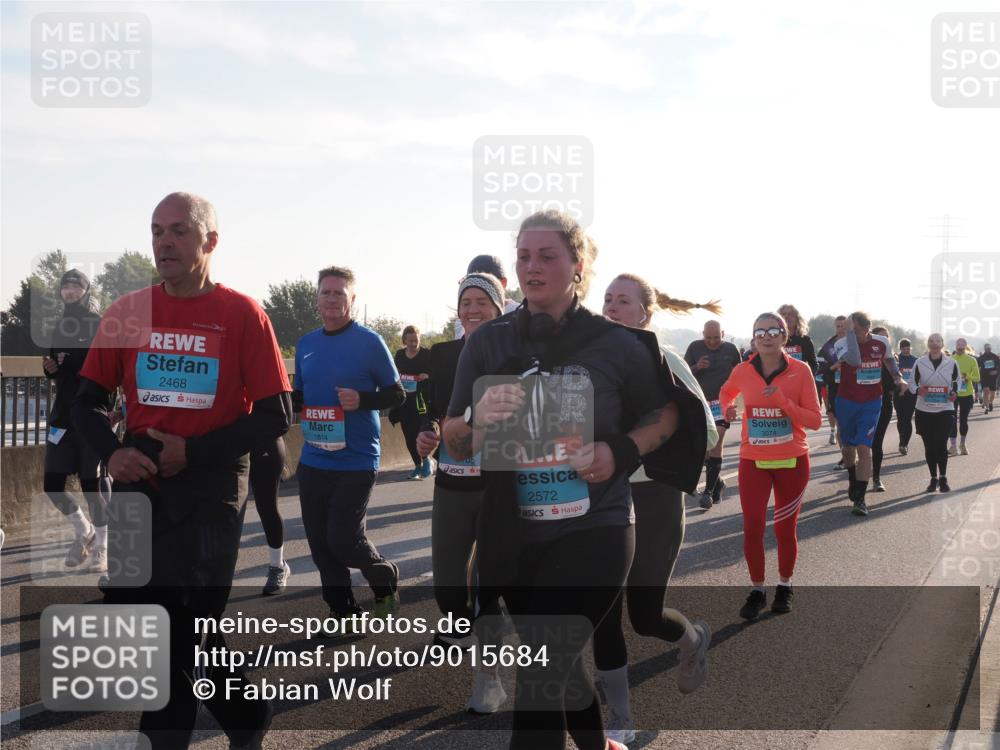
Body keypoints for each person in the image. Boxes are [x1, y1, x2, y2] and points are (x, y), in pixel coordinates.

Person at [443, 209, 698, 750]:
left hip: (596, 528)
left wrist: (619, 449)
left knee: (540, 670)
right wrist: (475, 418)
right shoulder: (486, 343)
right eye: (524, 257)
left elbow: (667, 416)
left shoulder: (617, 344)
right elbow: (452, 439)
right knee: (549, 656)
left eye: (547, 256)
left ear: (577, 266)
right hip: (512, 533)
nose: (533, 267)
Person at [73, 192, 292, 749]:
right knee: (146, 617)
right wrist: (111, 452)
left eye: (177, 232)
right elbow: (87, 403)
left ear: (209, 242)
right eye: (155, 232)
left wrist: (192, 454)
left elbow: (274, 416)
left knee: (183, 618)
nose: (163, 243)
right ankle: (246, 717)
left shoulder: (242, 314)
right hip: (137, 471)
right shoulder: (126, 311)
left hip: (211, 475)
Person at [595, 273, 719, 743]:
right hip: (600, 498)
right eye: (606, 298)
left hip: (655, 498)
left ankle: (693, 640)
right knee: (603, 610)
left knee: (645, 616)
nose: (611, 306)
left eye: (622, 300)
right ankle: (621, 718)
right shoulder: (586, 367)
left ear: (644, 313)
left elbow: (706, 435)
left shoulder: (666, 363)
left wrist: (645, 445)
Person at [293, 266, 405, 633]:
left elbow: (397, 394)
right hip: (313, 458)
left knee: (343, 540)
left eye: (340, 293)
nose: (332, 299)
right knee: (320, 546)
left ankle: (384, 575)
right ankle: (342, 610)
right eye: (326, 292)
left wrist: (364, 399)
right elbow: (299, 397)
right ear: (317, 298)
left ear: (352, 300)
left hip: (357, 459)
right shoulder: (307, 344)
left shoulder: (369, 342)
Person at [416, 272, 507, 714]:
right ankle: (465, 624)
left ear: (499, 307)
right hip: (451, 482)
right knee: (448, 585)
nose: (472, 309)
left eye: (482, 302)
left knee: (488, 586)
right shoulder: (443, 354)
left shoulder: (513, 352)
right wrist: (425, 433)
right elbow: (430, 410)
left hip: (498, 486)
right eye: (466, 301)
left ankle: (488, 678)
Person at [719, 312, 822, 619]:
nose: (766, 336)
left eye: (773, 330)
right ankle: (757, 589)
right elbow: (727, 393)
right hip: (753, 462)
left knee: (784, 527)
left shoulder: (800, 371)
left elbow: (815, 421)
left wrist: (784, 404)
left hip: (792, 461)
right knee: (752, 527)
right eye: (759, 331)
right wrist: (727, 409)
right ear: (753, 338)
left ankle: (784, 585)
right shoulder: (743, 370)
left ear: (784, 336)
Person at [42, 268, 107, 571]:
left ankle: (102, 549)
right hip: (62, 413)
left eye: (74, 286)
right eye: (65, 286)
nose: (69, 291)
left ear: (85, 290)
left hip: (91, 412)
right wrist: (52, 368)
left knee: (90, 483)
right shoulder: (58, 325)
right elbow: (57, 364)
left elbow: (102, 365)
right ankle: (84, 530)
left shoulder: (97, 323)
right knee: (52, 483)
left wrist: (72, 364)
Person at [831, 312, 905, 516]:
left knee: (864, 447)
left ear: (866, 329)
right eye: (849, 330)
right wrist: (850, 334)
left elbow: (889, 360)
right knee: (847, 447)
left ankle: (861, 499)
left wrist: (898, 378)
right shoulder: (842, 343)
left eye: (856, 331)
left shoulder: (881, 342)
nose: (851, 334)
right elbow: (854, 360)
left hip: (872, 402)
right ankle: (852, 477)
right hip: (846, 401)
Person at [684, 320, 742, 509]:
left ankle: (708, 493)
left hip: (722, 403)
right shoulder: (694, 348)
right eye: (708, 338)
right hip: (700, 402)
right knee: (702, 447)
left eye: (716, 337)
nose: (712, 341)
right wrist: (696, 367)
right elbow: (683, 374)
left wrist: (737, 401)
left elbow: (741, 373)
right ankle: (718, 483)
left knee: (715, 441)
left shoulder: (731, 350)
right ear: (703, 334)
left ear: (722, 334)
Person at [908, 333, 959, 492]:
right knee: (929, 446)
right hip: (924, 410)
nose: (934, 343)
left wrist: (954, 393)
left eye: (938, 341)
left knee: (941, 444)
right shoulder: (920, 362)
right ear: (927, 344)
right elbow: (911, 383)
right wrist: (918, 390)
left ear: (942, 343)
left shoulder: (951, 362)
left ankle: (943, 477)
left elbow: (957, 382)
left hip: (945, 409)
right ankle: (933, 478)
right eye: (931, 341)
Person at [392, 325, 433, 479]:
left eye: (415, 340)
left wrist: (427, 375)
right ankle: (417, 466)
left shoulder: (426, 354)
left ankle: (426, 460)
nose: (413, 344)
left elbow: (435, 372)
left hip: (421, 401)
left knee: (419, 433)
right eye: (410, 341)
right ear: (404, 340)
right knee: (408, 436)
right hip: (404, 401)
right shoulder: (400, 355)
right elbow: (394, 373)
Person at [251, 437, 290, 595]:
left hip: (263, 444)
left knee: (266, 507)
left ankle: (277, 566)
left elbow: (283, 421)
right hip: (230, 447)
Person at [453, 255, 520, 338]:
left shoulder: (520, 314)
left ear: (503, 283)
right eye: (466, 303)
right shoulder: (462, 322)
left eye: (482, 303)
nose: (473, 310)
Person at [869, 326, 896, 492]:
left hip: (884, 403)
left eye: (886, 338)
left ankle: (876, 478)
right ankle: (858, 477)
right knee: (863, 443)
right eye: (880, 338)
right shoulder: (864, 355)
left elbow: (894, 383)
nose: (883, 341)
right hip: (863, 403)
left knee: (877, 442)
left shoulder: (893, 360)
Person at [818, 316, 849, 448]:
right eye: (838, 326)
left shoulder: (855, 342)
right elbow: (820, 369)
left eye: (843, 326)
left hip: (855, 386)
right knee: (837, 416)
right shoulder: (828, 346)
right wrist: (834, 366)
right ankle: (845, 451)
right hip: (835, 385)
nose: (841, 329)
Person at [949, 338, 980, 455]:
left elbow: (977, 378)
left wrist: (968, 377)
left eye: (962, 345)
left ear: (966, 347)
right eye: (958, 345)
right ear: (955, 346)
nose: (960, 347)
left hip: (966, 394)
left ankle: (962, 444)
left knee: (963, 420)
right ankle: (953, 446)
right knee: (951, 419)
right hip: (953, 394)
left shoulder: (972, 360)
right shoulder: (950, 360)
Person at [894, 338, 918, 455]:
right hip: (898, 393)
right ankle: (901, 438)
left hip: (911, 393)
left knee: (907, 418)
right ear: (900, 349)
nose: (906, 350)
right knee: (900, 418)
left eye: (908, 348)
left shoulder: (916, 361)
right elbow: (893, 375)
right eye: (903, 349)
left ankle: (904, 444)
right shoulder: (896, 360)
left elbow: (919, 377)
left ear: (910, 348)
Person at [978, 342, 999, 413]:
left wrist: (996, 371)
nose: (988, 350)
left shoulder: (995, 357)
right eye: (986, 348)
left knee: (992, 393)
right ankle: (986, 408)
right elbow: (976, 367)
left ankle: (990, 403)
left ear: (991, 348)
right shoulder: (981, 358)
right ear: (984, 349)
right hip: (984, 377)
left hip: (993, 378)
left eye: (989, 348)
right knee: (986, 391)